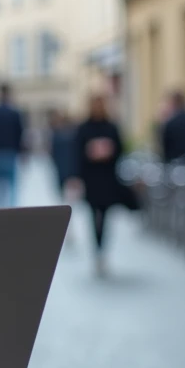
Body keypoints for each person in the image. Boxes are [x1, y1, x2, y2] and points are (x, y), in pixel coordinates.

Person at [75, 95, 132, 276]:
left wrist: (108, 151)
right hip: (91, 179)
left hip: (107, 178)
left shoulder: (111, 127)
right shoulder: (84, 128)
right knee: (93, 215)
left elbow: (120, 149)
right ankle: (97, 250)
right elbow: (77, 152)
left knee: (106, 215)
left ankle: (102, 250)